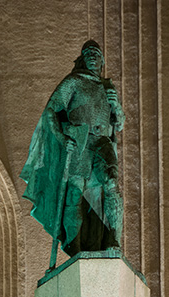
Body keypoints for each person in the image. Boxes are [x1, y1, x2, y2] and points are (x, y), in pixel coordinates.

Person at [20, 40, 125, 269]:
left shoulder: (108, 87)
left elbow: (119, 123)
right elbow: (52, 110)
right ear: (81, 58)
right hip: (79, 142)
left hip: (102, 142)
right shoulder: (74, 81)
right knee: (74, 194)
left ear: (102, 60)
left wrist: (117, 108)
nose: (91, 56)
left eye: (96, 53)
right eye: (87, 53)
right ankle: (75, 246)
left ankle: (114, 239)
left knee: (112, 182)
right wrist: (61, 137)